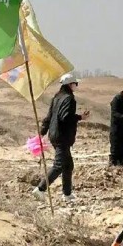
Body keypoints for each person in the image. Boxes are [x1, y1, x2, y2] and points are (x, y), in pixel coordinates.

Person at [34, 72, 89, 202]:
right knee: (59, 165)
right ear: (70, 84)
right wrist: (80, 117)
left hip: (55, 135)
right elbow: (66, 117)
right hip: (62, 136)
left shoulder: (57, 97)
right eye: (75, 83)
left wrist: (42, 132)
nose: (76, 86)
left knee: (68, 165)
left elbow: (49, 117)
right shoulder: (69, 99)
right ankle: (40, 189)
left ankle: (67, 193)